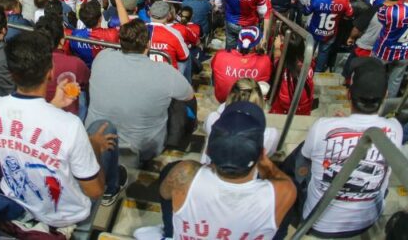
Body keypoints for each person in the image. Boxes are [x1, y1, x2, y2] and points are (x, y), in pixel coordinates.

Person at [0, 32, 125, 226]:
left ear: (11, 72)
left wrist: (53, 105)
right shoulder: (70, 126)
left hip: (18, 202)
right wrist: (93, 145)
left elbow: (27, 126)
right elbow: (94, 190)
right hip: (64, 216)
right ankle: (113, 189)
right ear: (51, 72)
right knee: (103, 128)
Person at [289, 57, 402, 236]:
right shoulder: (396, 129)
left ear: (349, 95)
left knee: (304, 151)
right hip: (367, 221)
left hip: (316, 222)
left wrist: (337, 124)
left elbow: (306, 158)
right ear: (386, 94)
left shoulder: (323, 126)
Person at [151, 102, 296, 240]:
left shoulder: (183, 173)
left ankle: (170, 232)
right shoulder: (281, 193)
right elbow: (280, 181)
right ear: (262, 153)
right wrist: (265, 163)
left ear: (208, 150)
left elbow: (165, 194)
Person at [86, 19, 194, 163]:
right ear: (148, 44)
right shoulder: (164, 72)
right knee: (179, 103)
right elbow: (189, 96)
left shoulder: (102, 57)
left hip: (95, 138)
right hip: (143, 148)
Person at [306, 0, 353, 72]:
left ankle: (306, 71)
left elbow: (306, 11)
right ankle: (317, 72)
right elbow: (349, 14)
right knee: (323, 53)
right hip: (330, 33)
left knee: (309, 52)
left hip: (315, 30)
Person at [210, 27, 272, 103]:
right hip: (249, 103)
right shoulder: (265, 60)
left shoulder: (220, 55)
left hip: (223, 100)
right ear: (256, 45)